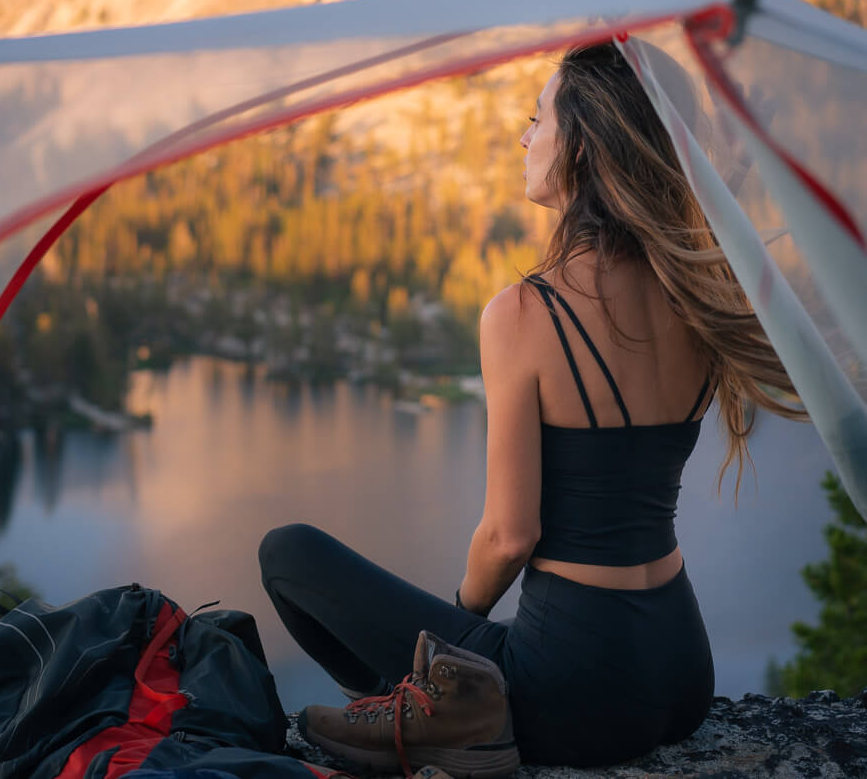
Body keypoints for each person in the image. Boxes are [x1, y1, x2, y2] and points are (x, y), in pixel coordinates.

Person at [258, 40, 805, 770]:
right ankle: (428, 707)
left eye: (536, 118)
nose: (524, 136)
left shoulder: (524, 312)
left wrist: (454, 634)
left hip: (577, 695)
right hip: (681, 669)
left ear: (579, 143)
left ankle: (436, 712)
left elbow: (508, 538)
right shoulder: (703, 291)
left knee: (287, 553)